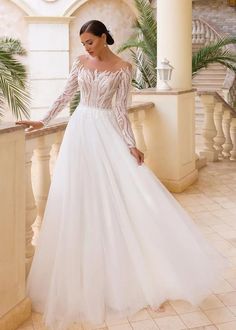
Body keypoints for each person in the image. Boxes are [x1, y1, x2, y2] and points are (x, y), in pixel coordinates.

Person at [16, 20, 228, 330]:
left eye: (90, 41)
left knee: (116, 198)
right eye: (83, 43)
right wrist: (43, 121)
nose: (86, 47)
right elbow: (66, 95)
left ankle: (130, 272)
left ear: (104, 38)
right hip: (79, 130)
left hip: (105, 131)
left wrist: (130, 143)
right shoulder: (80, 63)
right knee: (77, 198)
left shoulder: (123, 68)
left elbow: (120, 109)